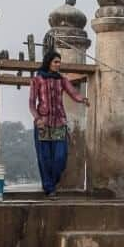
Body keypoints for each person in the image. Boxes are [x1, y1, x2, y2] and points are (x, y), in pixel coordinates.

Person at [29, 49, 89, 197]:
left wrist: (83, 99)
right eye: (56, 62)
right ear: (48, 62)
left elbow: (73, 93)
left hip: (59, 123)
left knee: (60, 158)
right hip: (43, 123)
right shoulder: (37, 80)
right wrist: (37, 119)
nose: (58, 64)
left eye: (59, 62)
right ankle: (49, 188)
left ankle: (52, 183)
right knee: (45, 158)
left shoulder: (62, 80)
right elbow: (31, 102)